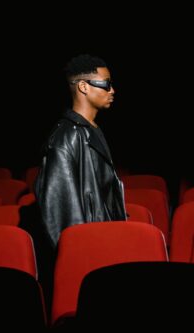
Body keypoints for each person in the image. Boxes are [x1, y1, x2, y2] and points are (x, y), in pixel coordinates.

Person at [33, 54, 127, 248]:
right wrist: (82, 253)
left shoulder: (91, 130)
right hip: (88, 248)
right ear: (83, 87)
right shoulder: (66, 138)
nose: (112, 90)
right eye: (106, 84)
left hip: (105, 240)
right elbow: (61, 217)